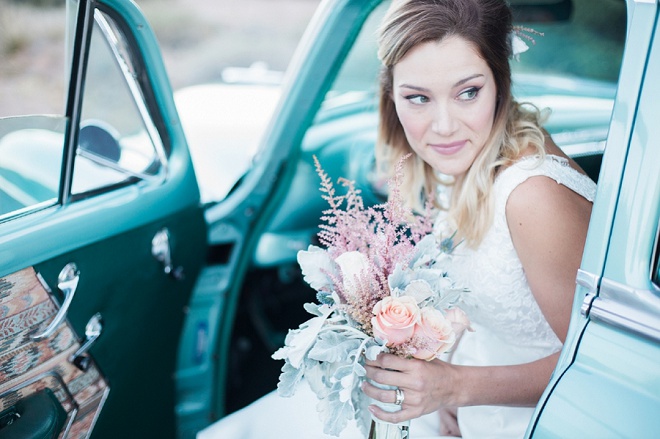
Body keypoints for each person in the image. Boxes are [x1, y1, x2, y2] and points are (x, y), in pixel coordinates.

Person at [197, 0, 596, 437]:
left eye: (468, 92)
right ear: (392, 94)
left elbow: (594, 361)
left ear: (501, 82)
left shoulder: (532, 196)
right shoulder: (468, 158)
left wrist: (457, 387)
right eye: (418, 98)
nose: (443, 126)